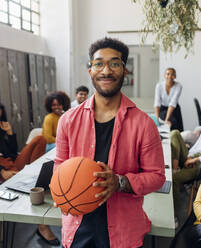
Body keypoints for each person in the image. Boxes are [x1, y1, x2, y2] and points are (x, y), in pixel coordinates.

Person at [54, 37, 165, 248]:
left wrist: (120, 182)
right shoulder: (68, 120)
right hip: (77, 226)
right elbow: (59, 165)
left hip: (123, 230)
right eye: (98, 63)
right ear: (90, 71)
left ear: (125, 71)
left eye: (114, 63)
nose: (106, 70)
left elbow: (157, 177)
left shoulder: (144, 124)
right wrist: (63, 191)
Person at [0, 102, 59, 245]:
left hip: (11, 163)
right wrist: (2, 171)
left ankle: (34, 176)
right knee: (39, 184)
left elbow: (12, 152)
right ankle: (42, 223)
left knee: (40, 138)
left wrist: (9, 132)